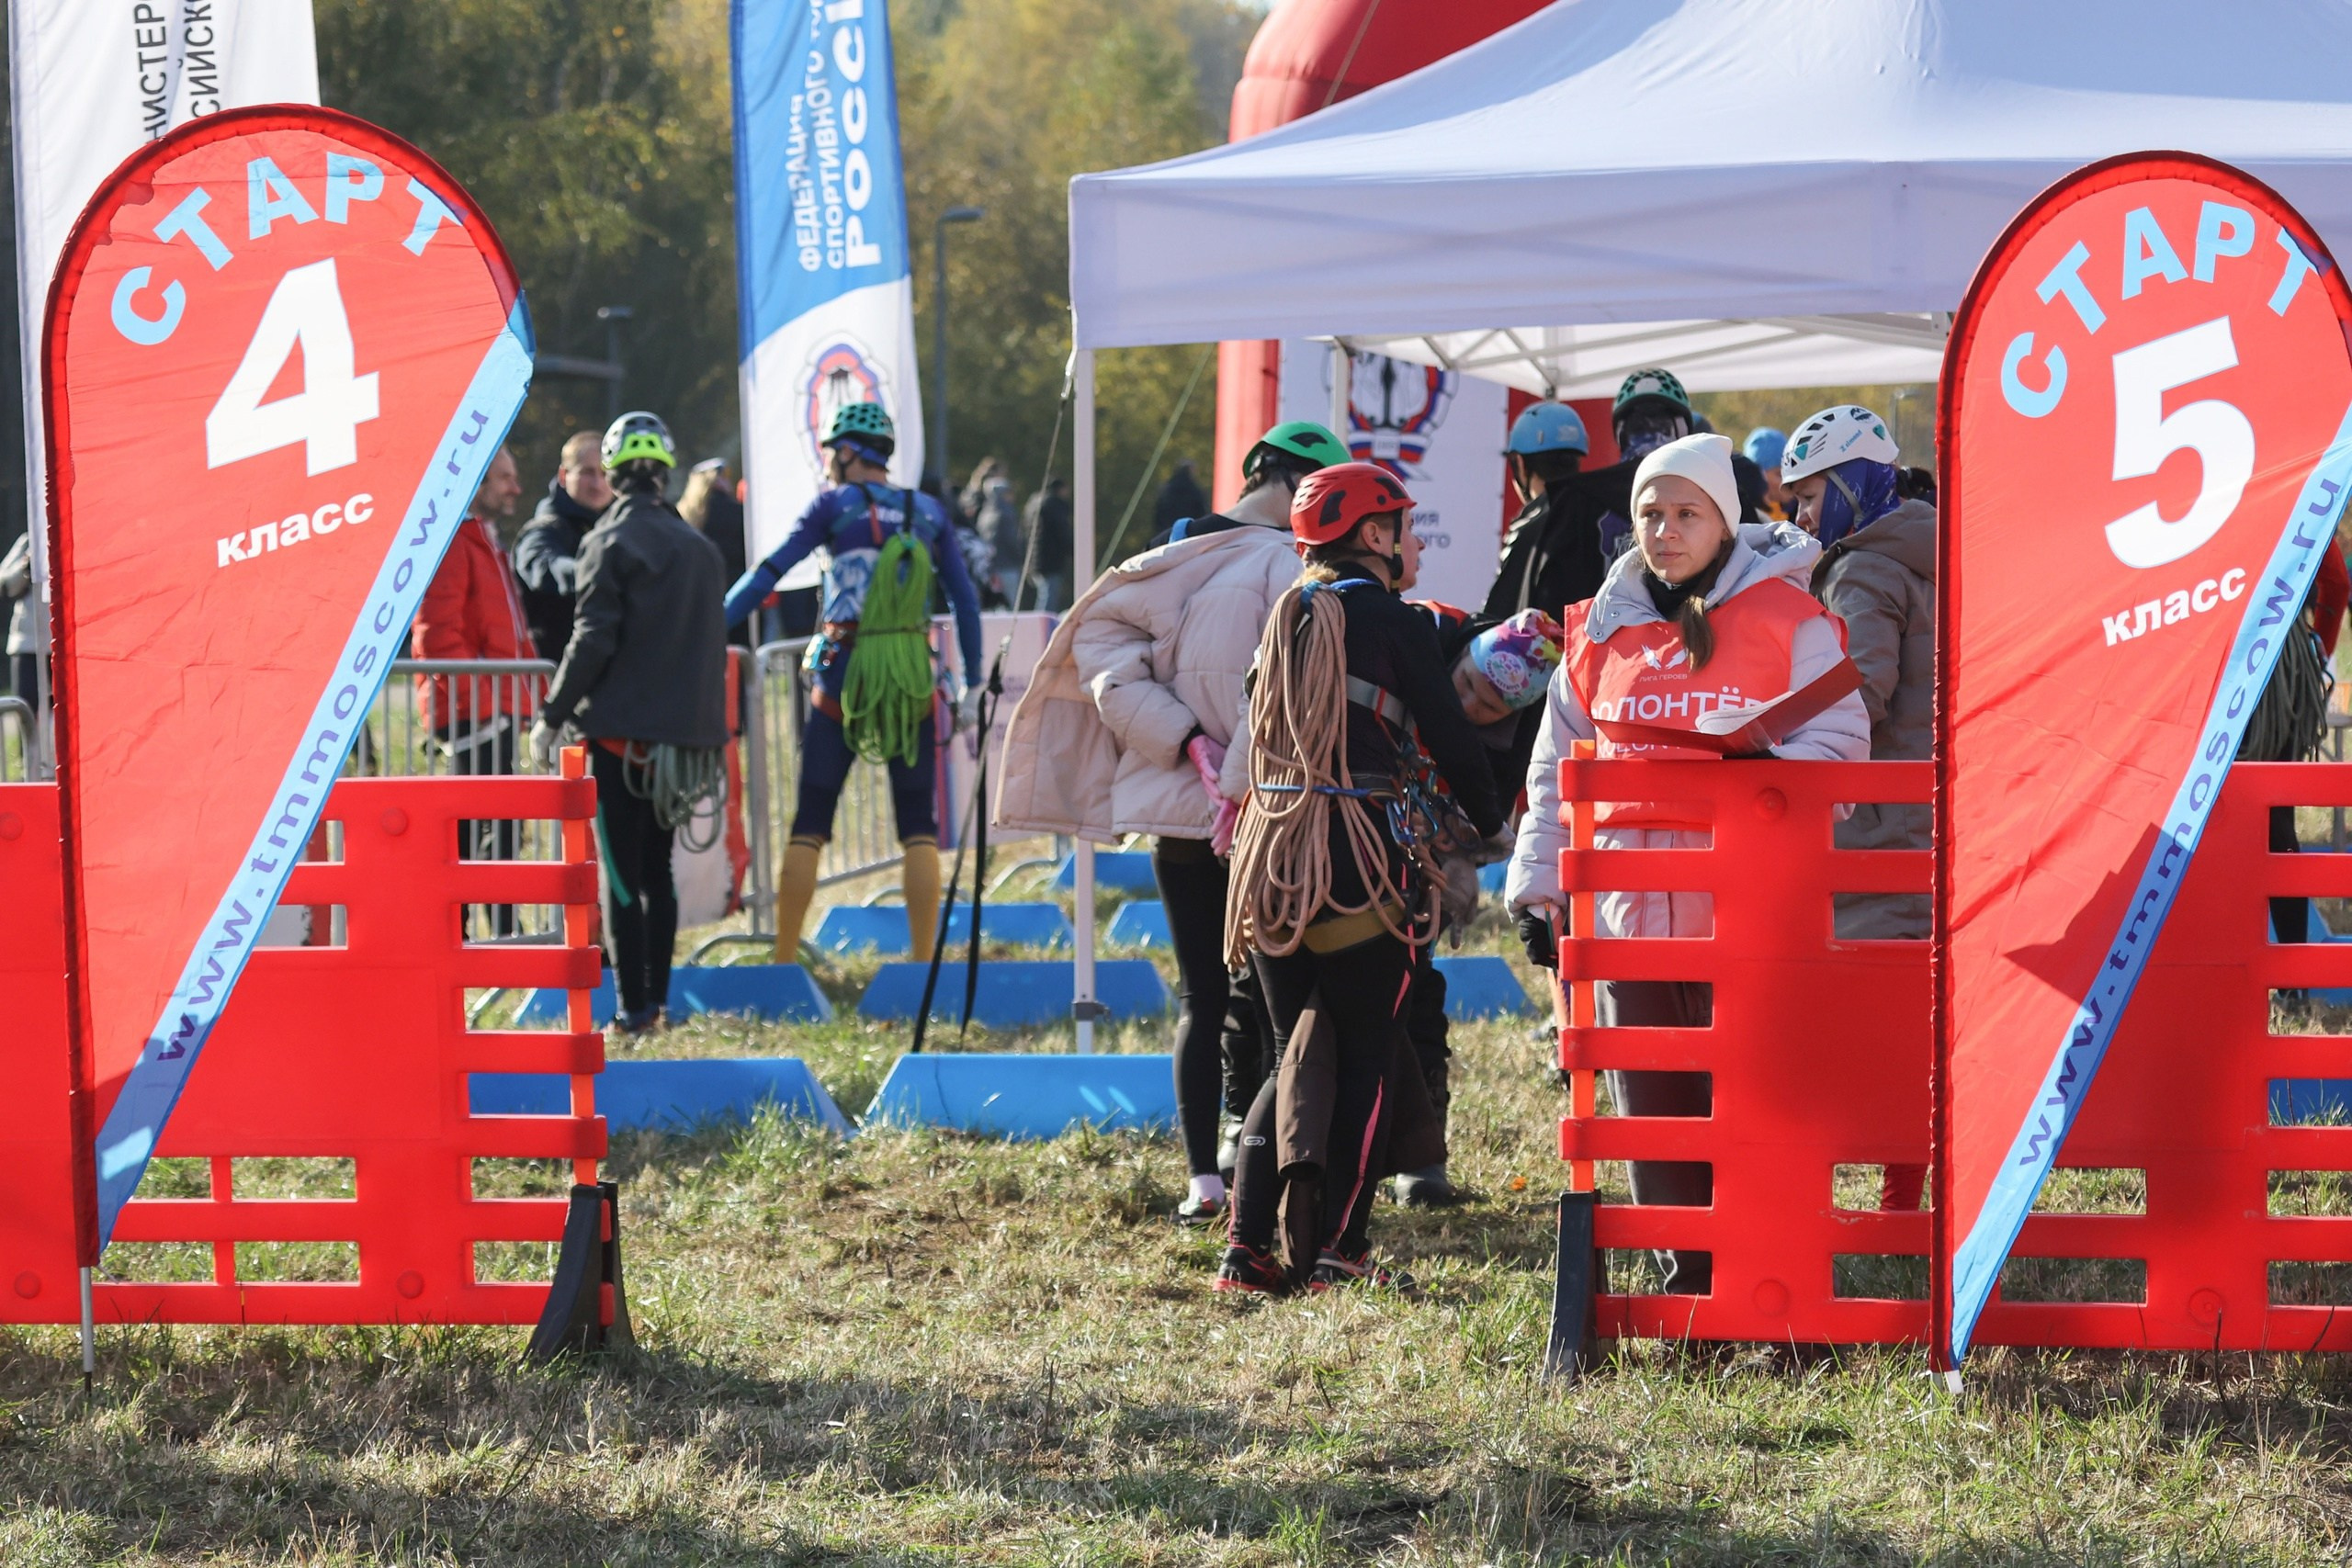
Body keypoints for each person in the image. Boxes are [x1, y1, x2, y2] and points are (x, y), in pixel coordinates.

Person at [1506, 434, 1869, 1295]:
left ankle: (1770, 1279)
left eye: (1686, 514)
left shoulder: (1794, 618)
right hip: (1628, 917)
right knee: (1654, 1105)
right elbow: (1557, 764)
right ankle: (1688, 1282)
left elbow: (1845, 743)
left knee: (1753, 1103)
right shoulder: (1599, 630)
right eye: (1650, 514)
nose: (1665, 531)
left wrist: (1761, 778)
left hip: (1747, 912)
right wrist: (1536, 884)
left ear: (1725, 520)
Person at [994, 421, 1344, 1225]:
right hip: (1270, 818)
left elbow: (1104, 661)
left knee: (1203, 996)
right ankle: (1283, 1177)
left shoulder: (1174, 550)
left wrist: (1182, 740)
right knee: (1280, 999)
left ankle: (1204, 1182)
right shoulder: (1302, 567)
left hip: (1181, 823)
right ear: (1305, 491)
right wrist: (1224, 765)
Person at [1217, 462, 1505, 1294]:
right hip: (1355, 860)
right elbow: (1451, 735)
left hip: (1275, 856)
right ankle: (1342, 1249)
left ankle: (1247, 1249)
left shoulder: (1286, 616)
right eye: (1403, 527)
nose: (1411, 542)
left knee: (1284, 1055)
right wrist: (1485, 815)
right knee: (1367, 1054)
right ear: (1374, 536)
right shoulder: (1395, 621)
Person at [725, 401, 985, 964]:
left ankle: (785, 961)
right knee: (917, 823)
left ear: (846, 452)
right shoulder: (930, 512)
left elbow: (770, 572)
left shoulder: (832, 507)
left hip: (845, 673)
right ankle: (921, 963)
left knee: (812, 815)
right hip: (912, 674)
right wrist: (972, 682)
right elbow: (964, 600)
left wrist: (712, 621)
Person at [531, 412, 731, 1034]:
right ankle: (661, 1004)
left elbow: (591, 639)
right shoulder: (700, 549)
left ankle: (633, 1010)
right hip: (681, 742)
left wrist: (551, 715)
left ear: (615, 476)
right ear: (665, 476)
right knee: (659, 873)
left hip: (619, 738)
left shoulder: (606, 543)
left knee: (620, 876)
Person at [1781, 406, 1935, 942]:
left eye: (1807, 498)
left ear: (1850, 484)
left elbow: (1857, 698)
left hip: (1879, 830)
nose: (1799, 518)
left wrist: (1771, 734)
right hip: (1929, 817)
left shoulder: (1860, 569)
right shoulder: (1929, 548)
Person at [412, 445, 535, 932]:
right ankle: (481, 932)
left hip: (491, 708)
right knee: (485, 825)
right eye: (504, 478)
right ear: (477, 484)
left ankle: (485, 929)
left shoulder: (483, 541)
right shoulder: (456, 543)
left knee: (493, 824)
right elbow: (437, 633)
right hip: (473, 712)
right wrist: (480, 705)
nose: (515, 488)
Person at [513, 431, 614, 661]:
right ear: (563, 475)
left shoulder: (620, 528)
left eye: (605, 473)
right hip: (552, 677)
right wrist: (594, 575)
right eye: (587, 473)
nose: (598, 483)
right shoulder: (544, 529)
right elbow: (541, 564)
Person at [1019, 477, 1074, 610]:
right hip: (1050, 558)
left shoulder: (1033, 503)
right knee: (1048, 596)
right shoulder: (1054, 505)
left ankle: (1039, 625)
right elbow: (1062, 531)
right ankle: (1042, 628)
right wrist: (1073, 550)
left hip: (1035, 558)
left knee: (1044, 593)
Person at [1152, 457, 1210, 537]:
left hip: (1166, 530)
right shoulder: (1194, 489)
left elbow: (1158, 511)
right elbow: (1201, 510)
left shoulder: (1167, 488)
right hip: (1188, 530)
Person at [1744, 428, 1791, 520]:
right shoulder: (1747, 520)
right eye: (1780, 474)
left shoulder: (1798, 512)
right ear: (1759, 476)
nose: (1788, 481)